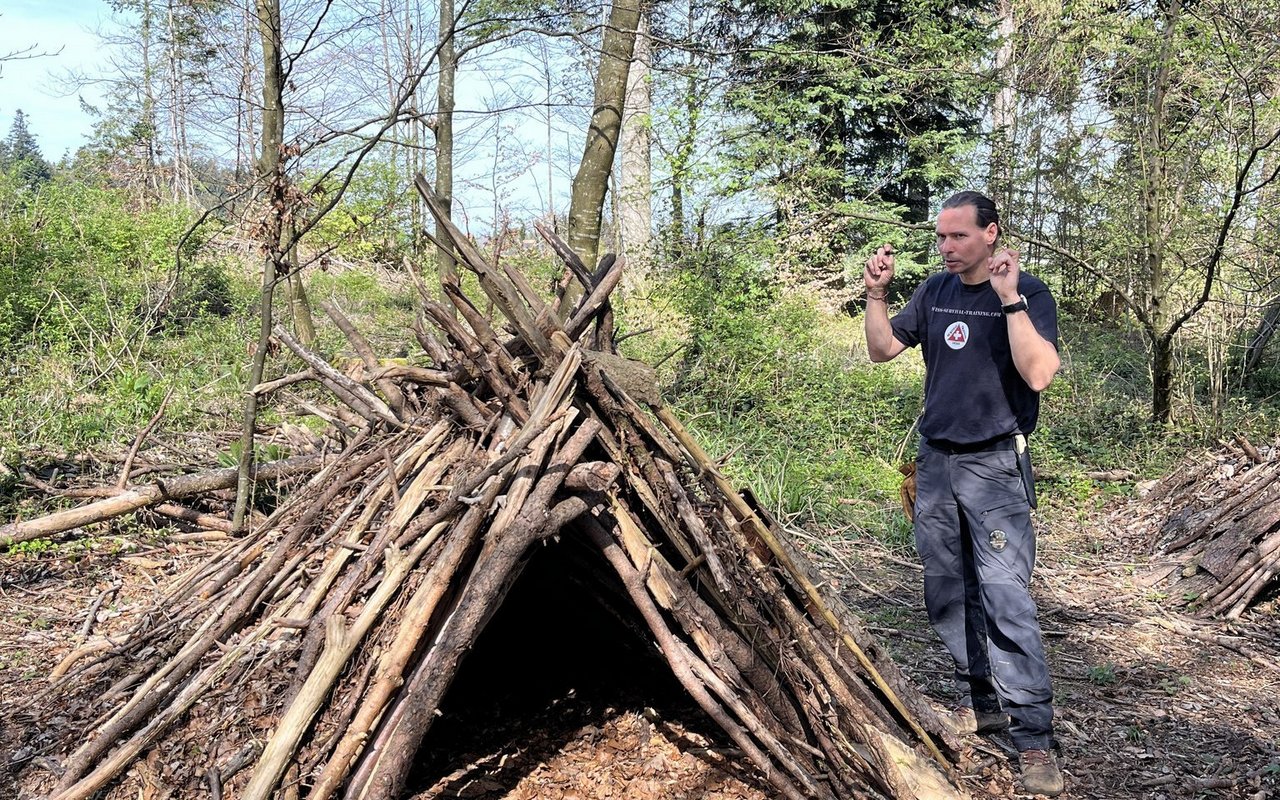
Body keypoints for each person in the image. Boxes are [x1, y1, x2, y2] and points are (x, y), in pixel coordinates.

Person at [863, 190, 1064, 797]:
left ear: (991, 235)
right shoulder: (932, 291)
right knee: (947, 590)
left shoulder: (1028, 293)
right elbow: (881, 350)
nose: (946, 247)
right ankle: (983, 703)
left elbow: (1039, 374)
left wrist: (1009, 300)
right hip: (937, 465)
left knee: (1007, 598)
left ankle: (1033, 740)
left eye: (958, 237)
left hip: (996, 467)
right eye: (941, 237)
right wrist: (875, 294)